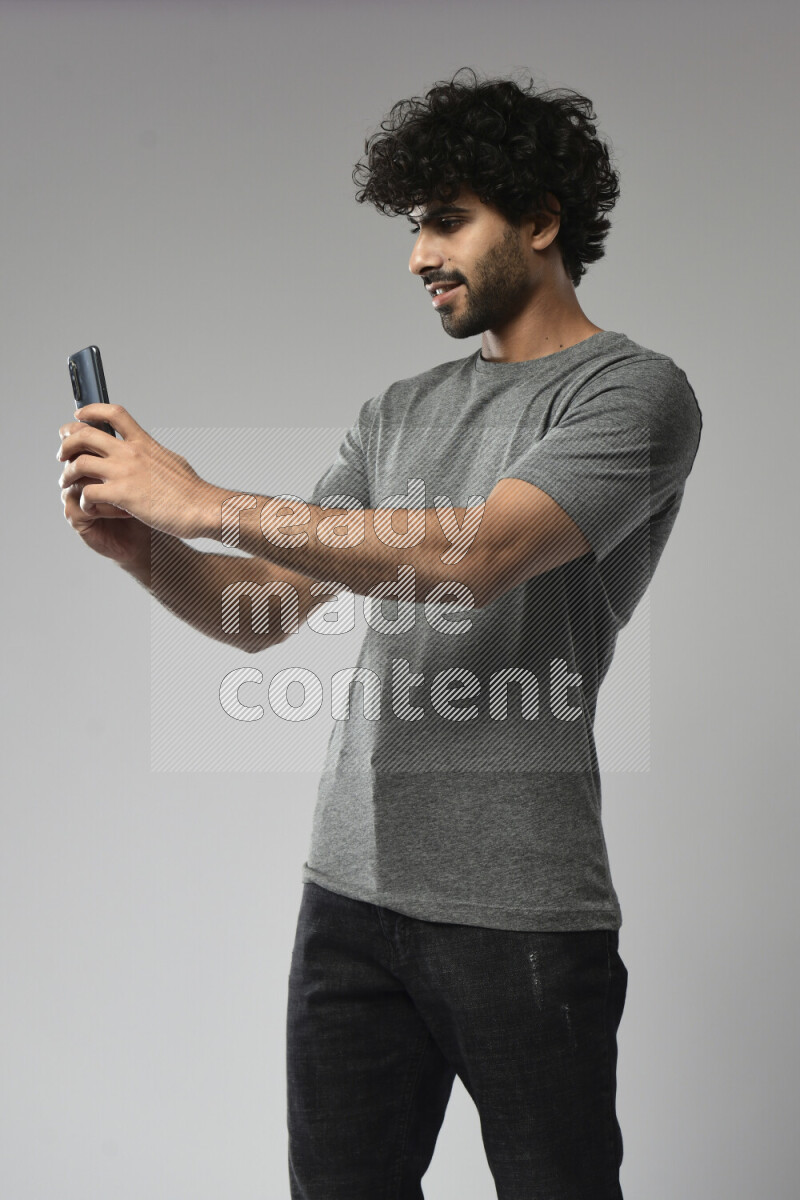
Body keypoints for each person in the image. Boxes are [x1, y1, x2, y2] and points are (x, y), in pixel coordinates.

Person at [58, 66, 702, 1200]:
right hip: (347, 903)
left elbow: (478, 557)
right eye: (414, 228)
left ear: (540, 222)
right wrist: (147, 548)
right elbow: (258, 611)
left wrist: (199, 499)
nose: (417, 257)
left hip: (523, 921)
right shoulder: (397, 410)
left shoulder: (630, 394)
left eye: (447, 222)